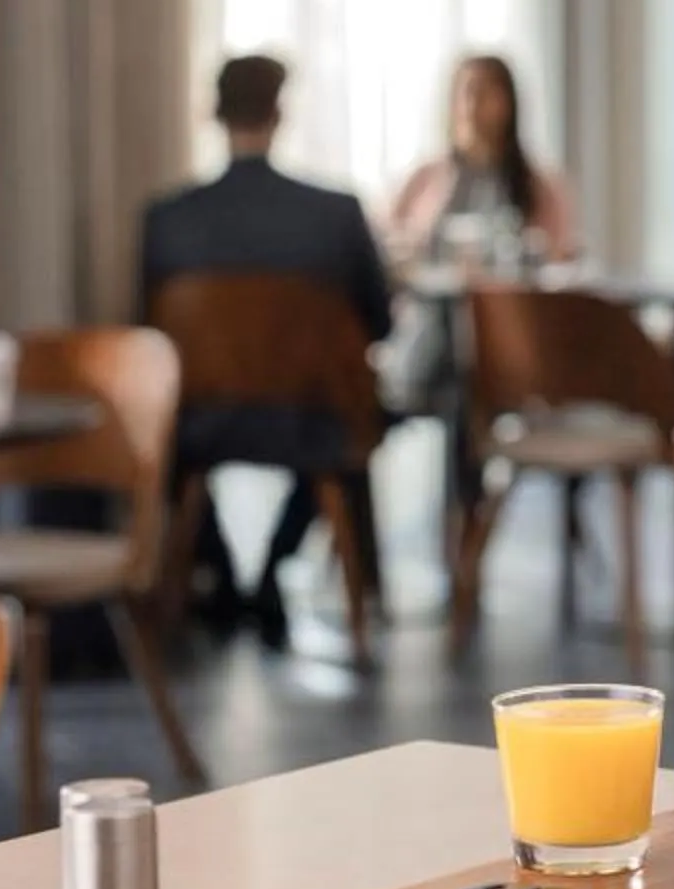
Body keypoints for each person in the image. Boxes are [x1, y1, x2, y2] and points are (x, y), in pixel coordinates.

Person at [140, 56, 394, 644]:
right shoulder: (334, 215)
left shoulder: (166, 221)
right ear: (280, 113)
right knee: (351, 434)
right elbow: (377, 324)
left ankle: (225, 581)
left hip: (200, 425)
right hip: (313, 422)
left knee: (172, 454)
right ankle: (273, 571)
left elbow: (149, 344)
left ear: (214, 112)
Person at [385, 55, 583, 265]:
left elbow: (562, 255)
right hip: (433, 295)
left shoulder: (541, 187)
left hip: (512, 295)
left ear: (508, 103)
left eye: (485, 93)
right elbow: (387, 242)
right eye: (466, 93)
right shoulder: (422, 180)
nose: (474, 105)